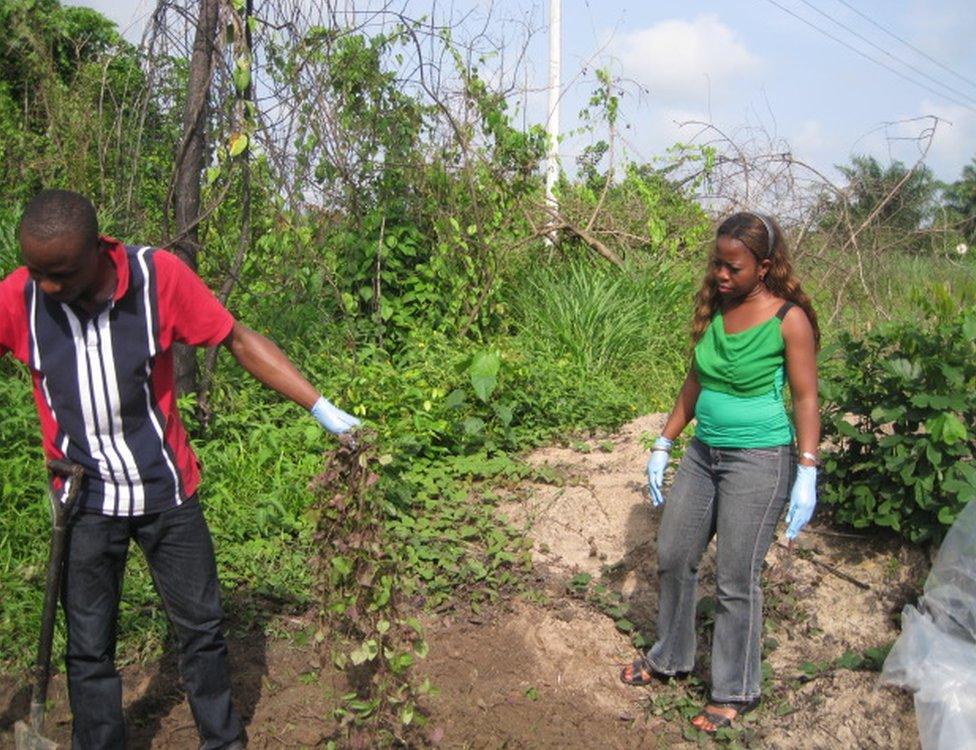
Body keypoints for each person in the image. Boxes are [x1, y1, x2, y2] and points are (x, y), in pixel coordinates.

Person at [0, 189, 361, 749]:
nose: (49, 287)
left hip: (166, 492)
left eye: (62, 274)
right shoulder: (19, 297)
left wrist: (316, 404)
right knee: (88, 646)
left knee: (202, 629)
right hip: (82, 502)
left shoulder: (156, 278)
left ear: (98, 249)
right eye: (38, 272)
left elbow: (235, 337)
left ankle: (222, 740)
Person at [620, 211, 820, 734]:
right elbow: (695, 381)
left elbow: (805, 397)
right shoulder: (713, 312)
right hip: (704, 454)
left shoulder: (787, 319)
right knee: (675, 554)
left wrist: (807, 469)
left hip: (759, 461)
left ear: (765, 266)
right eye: (717, 264)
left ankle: (735, 689)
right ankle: (670, 656)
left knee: (735, 578)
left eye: (733, 267)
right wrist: (665, 440)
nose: (721, 276)